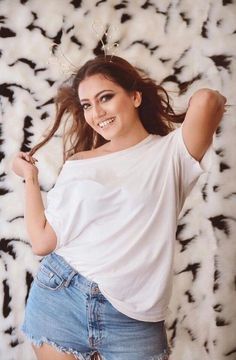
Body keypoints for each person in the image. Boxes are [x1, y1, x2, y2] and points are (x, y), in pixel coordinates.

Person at [12, 55, 226, 360]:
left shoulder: (172, 153)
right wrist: (30, 178)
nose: (96, 112)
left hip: (135, 321)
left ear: (135, 96)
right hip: (62, 295)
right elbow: (43, 241)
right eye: (87, 104)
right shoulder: (79, 163)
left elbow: (207, 101)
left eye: (106, 97)